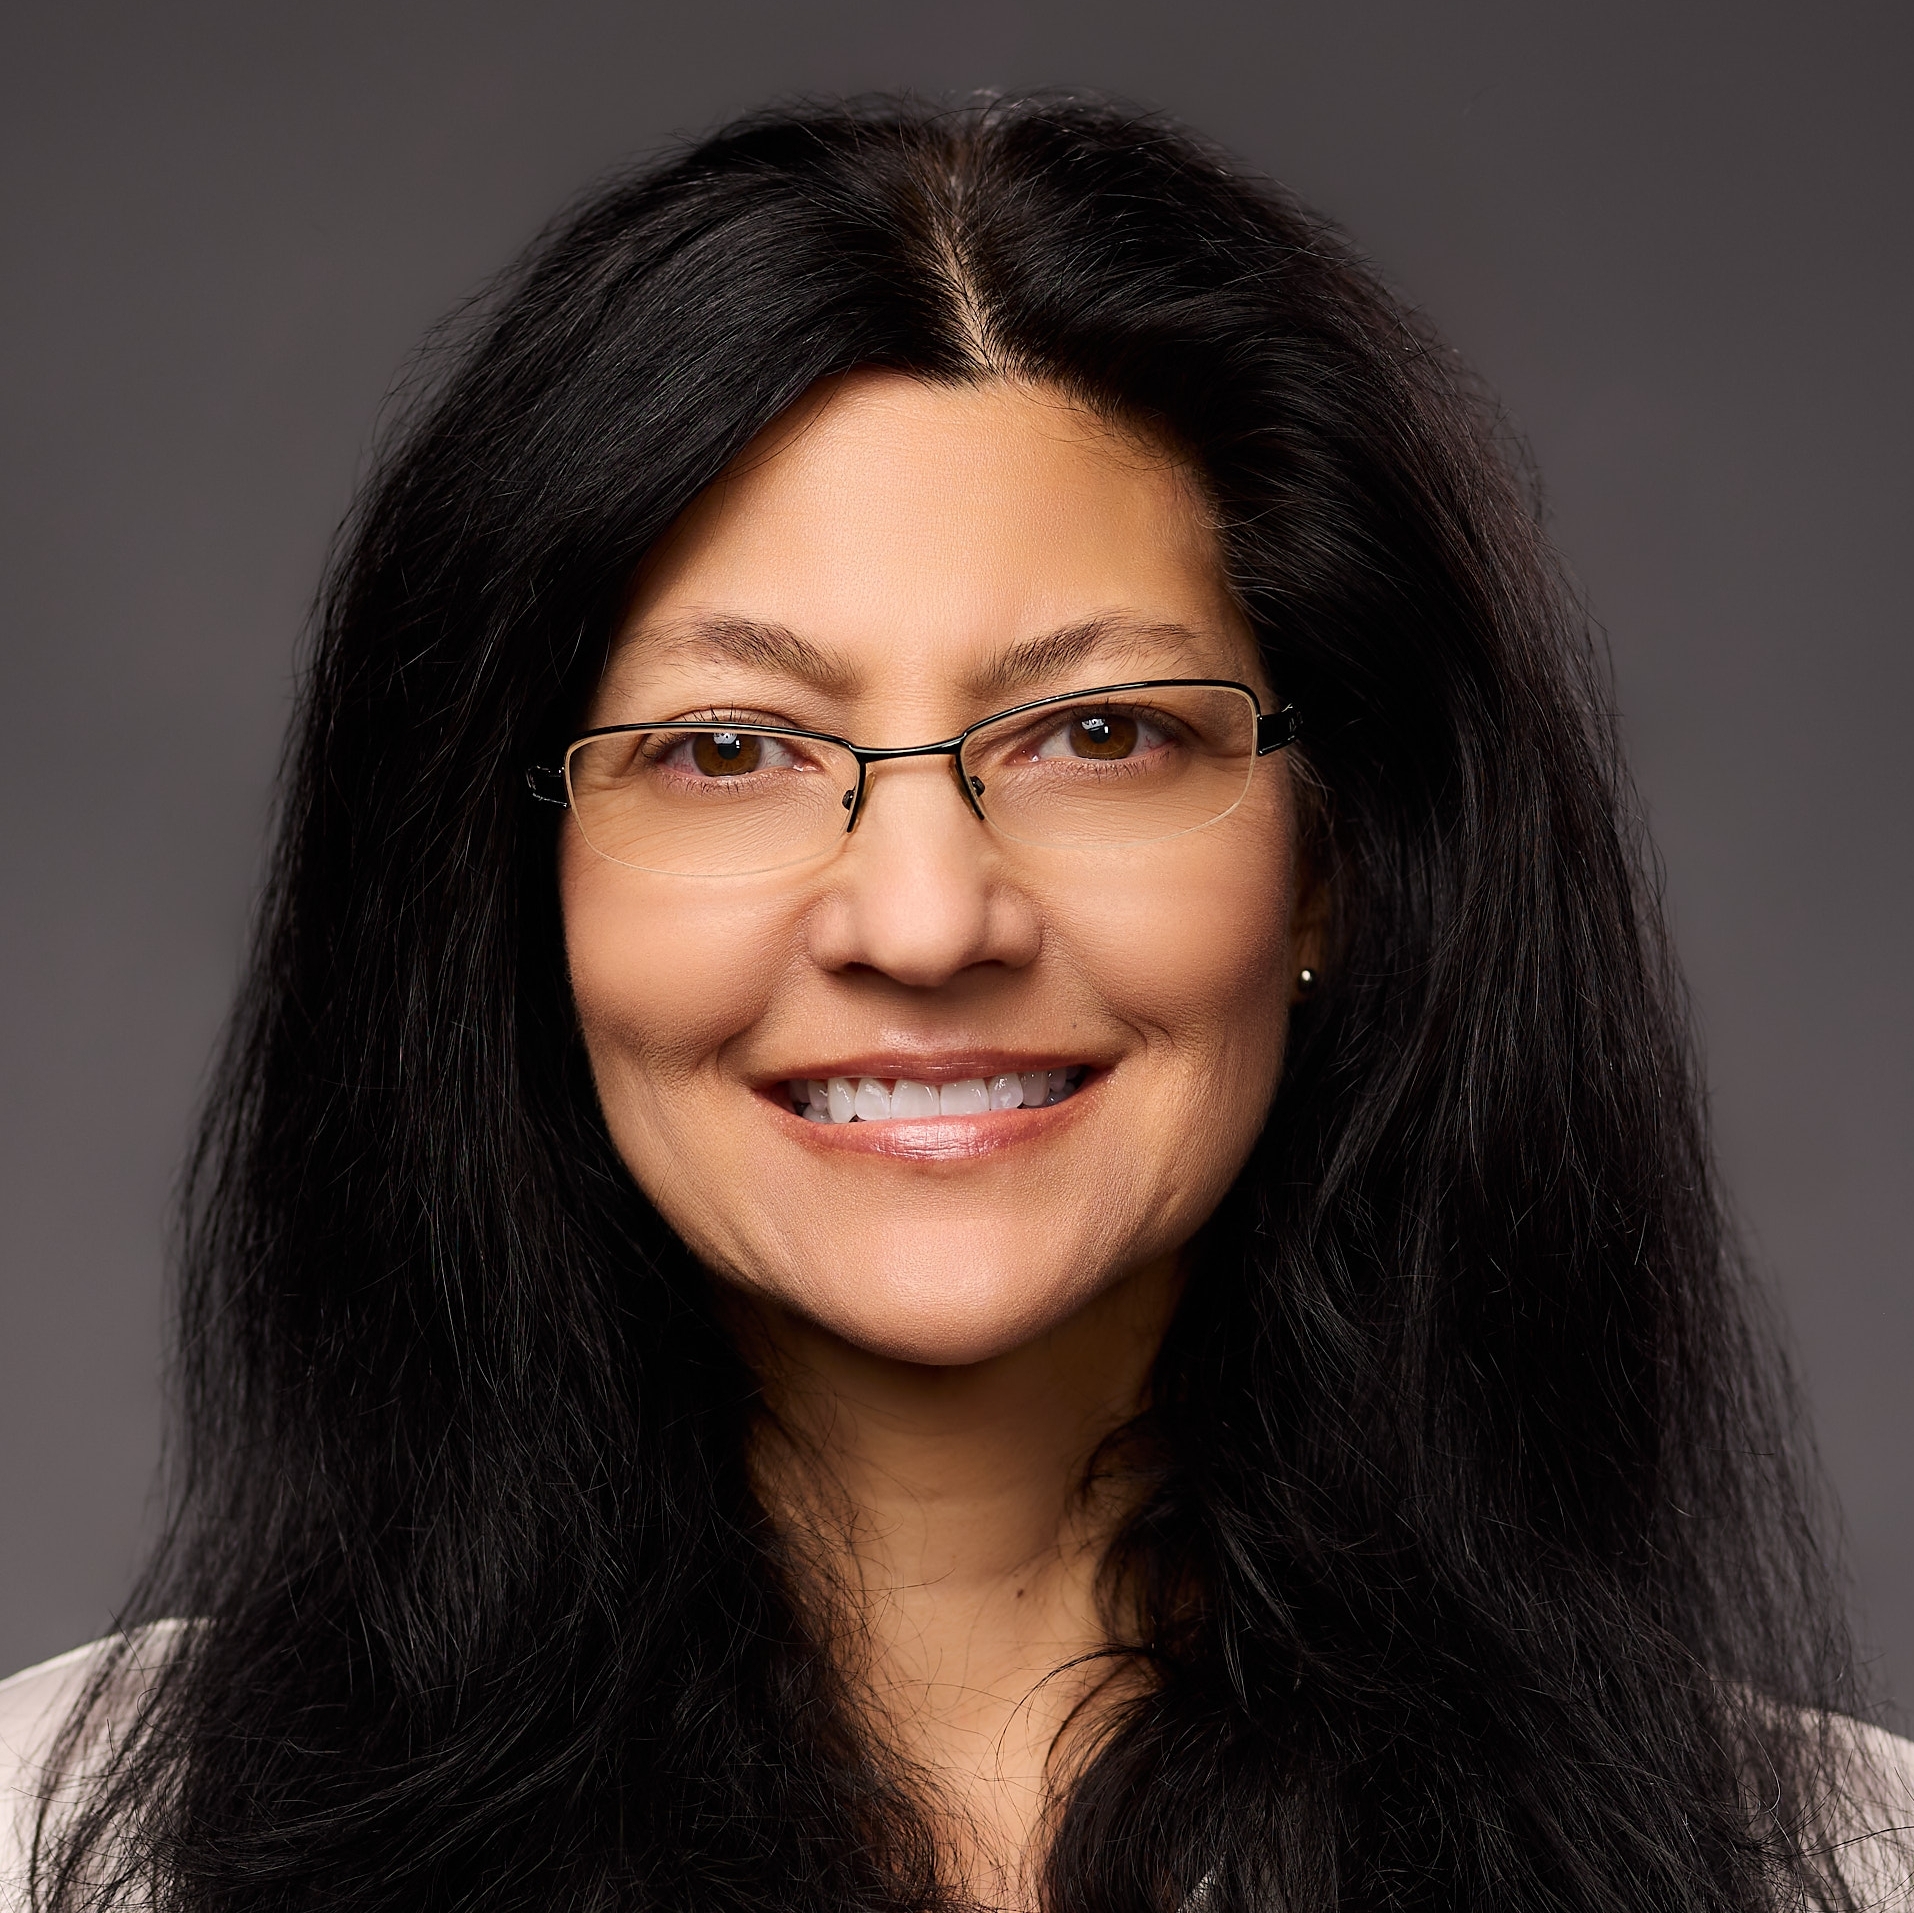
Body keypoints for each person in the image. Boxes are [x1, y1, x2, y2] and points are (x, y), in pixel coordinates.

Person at [2, 91, 1907, 1913]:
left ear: (1332, 857)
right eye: (726, 747)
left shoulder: (1836, 1865)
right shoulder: (68, 1847)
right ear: (512, 893)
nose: (922, 923)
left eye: (1102, 733)